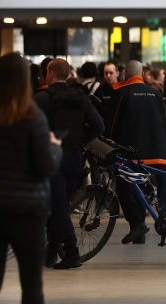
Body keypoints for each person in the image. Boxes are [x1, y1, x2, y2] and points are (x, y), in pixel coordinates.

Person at [0, 52, 63, 304]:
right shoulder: (32, 116)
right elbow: (45, 166)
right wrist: (55, 146)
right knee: (32, 285)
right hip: (27, 211)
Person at [33, 59, 103, 269]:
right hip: (74, 157)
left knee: (58, 207)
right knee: (60, 205)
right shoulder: (80, 97)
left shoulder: (41, 99)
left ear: (51, 73)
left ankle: (72, 251)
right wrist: (82, 141)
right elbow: (98, 125)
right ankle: (51, 252)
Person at [104, 60, 166, 244]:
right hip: (154, 150)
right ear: (141, 74)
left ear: (126, 74)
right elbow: (165, 122)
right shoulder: (156, 94)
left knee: (124, 187)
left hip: (130, 151)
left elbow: (113, 122)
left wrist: (108, 143)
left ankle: (137, 223)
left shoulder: (122, 93)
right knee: (140, 188)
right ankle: (138, 231)